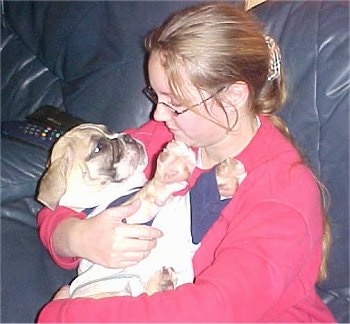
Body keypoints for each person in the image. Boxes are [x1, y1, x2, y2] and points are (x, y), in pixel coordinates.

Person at [37, 2, 335, 322]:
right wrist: (77, 236)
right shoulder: (161, 137)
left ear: (234, 96)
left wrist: (65, 316)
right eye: (156, 97)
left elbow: (212, 310)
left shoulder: (282, 192)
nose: (158, 115)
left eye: (175, 105)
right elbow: (64, 196)